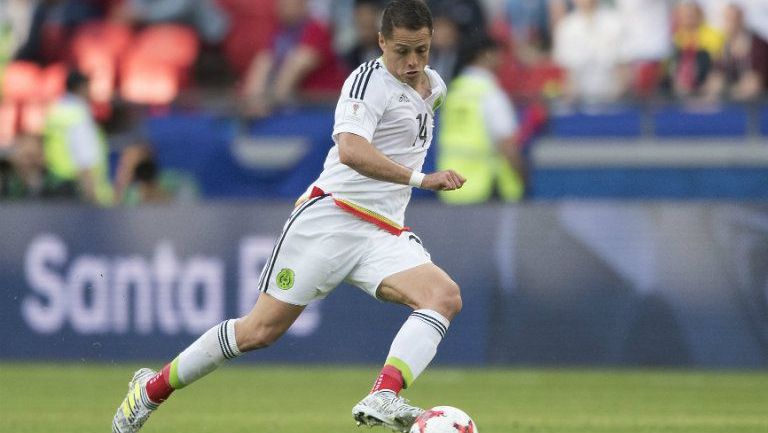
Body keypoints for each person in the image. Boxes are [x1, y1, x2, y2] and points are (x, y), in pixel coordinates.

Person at [111, 1, 466, 433]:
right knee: (258, 332)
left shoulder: (435, 88)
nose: (412, 63)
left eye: (422, 51)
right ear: (380, 43)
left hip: (383, 231)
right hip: (331, 219)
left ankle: (383, 393)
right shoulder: (366, 83)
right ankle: (150, 390)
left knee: (443, 297)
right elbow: (352, 151)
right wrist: (420, 179)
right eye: (401, 51)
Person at [437, 33, 525, 204]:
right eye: (498, 53)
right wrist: (523, 178)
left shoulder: (453, 92)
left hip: (450, 189)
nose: (501, 59)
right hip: (485, 188)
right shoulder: (490, 94)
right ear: (486, 55)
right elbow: (507, 145)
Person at [240, 0, 349, 117]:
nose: (281, 6)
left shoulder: (316, 29)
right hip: (295, 108)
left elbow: (292, 72)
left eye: (287, 2)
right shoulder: (279, 33)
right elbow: (262, 65)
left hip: (325, 108)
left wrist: (267, 106)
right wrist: (251, 103)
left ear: (302, 3)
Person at [42, 69, 113, 205]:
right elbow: (84, 160)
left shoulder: (56, 110)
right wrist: (93, 199)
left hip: (58, 185)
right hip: (79, 191)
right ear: (81, 88)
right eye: (88, 87)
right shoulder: (78, 115)